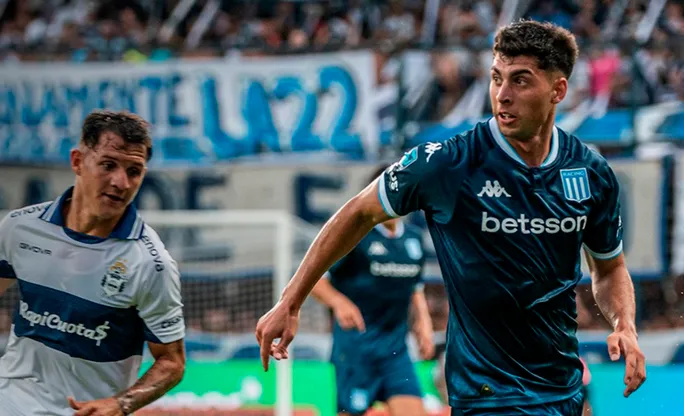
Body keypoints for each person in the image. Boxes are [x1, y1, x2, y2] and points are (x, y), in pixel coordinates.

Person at [256, 19, 647, 415]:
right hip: (485, 392)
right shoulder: (450, 163)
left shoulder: (591, 173)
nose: (502, 95)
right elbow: (358, 211)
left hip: (560, 389)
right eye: (497, 78)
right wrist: (291, 301)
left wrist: (625, 325)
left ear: (558, 90)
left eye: (520, 81)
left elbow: (609, 268)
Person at [0, 110, 186, 415]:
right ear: (77, 161)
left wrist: (121, 404)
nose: (121, 182)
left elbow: (172, 362)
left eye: (134, 171)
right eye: (108, 165)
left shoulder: (151, 264)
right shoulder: (20, 227)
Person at [310, 166, 435, 416]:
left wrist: (423, 321)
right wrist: (339, 302)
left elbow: (415, 286)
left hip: (395, 350)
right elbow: (315, 281)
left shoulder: (414, 239)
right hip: (356, 349)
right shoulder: (354, 236)